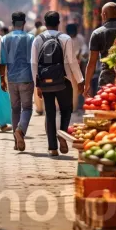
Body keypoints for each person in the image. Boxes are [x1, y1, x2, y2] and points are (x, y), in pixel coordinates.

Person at [32, 11, 85, 156]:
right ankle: (62, 135)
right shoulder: (65, 38)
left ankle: (52, 148)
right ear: (59, 22)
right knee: (66, 109)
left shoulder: (38, 39)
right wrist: (80, 80)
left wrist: (37, 84)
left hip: (45, 81)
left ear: (45, 23)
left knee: (49, 113)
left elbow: (33, 63)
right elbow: (72, 61)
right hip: (64, 80)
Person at [0, 11, 34, 152]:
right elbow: (34, 61)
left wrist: (2, 79)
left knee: (15, 110)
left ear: (12, 23)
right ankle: (20, 131)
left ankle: (16, 142)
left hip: (12, 79)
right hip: (27, 78)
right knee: (26, 108)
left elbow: (3, 61)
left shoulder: (4, 39)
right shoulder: (31, 38)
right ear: (24, 23)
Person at [84, 2, 116, 97]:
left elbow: (92, 63)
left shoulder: (97, 33)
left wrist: (87, 84)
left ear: (104, 15)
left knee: (106, 104)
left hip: (107, 79)